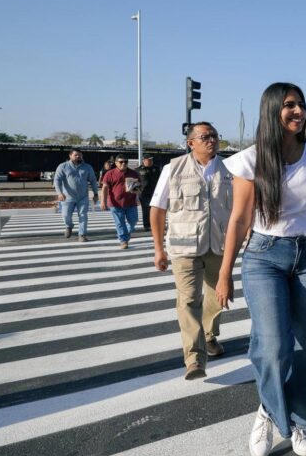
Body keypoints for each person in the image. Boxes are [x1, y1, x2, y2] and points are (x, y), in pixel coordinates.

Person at [216, 82, 306, 456]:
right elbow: (240, 217)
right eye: (289, 105)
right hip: (264, 256)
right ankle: (269, 408)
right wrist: (225, 271)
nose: (298, 111)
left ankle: (301, 421)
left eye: (301, 105)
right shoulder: (252, 159)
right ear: (272, 110)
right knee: (274, 344)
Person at [149, 123, 233, 381]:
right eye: (204, 137)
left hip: (219, 244)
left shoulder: (229, 169)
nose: (211, 141)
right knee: (187, 301)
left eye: (215, 136)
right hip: (184, 247)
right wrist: (158, 249)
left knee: (218, 296)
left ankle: (209, 336)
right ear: (190, 143)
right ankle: (194, 358)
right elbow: (157, 209)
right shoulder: (172, 169)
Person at [53, 149, 98, 241]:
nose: (78, 157)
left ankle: (82, 235)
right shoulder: (63, 166)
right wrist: (59, 193)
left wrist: (95, 193)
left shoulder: (87, 167)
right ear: (70, 156)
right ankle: (69, 226)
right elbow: (57, 180)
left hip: (83, 197)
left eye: (80, 155)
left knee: (83, 215)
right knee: (65, 215)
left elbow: (93, 180)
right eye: (76, 155)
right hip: (67, 197)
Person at [100, 155, 141, 249]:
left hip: (131, 202)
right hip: (115, 203)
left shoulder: (133, 173)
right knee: (120, 222)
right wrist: (103, 201)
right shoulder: (109, 173)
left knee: (133, 221)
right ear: (116, 163)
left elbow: (137, 187)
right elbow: (105, 188)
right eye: (121, 162)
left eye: (125, 162)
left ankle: (125, 234)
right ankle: (123, 240)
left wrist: (137, 197)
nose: (123, 164)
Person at [138, 156, 160, 231]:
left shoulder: (156, 168)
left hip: (155, 192)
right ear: (144, 161)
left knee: (155, 209)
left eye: (151, 160)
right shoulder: (138, 170)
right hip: (143, 193)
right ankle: (147, 225)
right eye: (148, 160)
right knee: (146, 209)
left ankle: (154, 224)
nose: (150, 162)